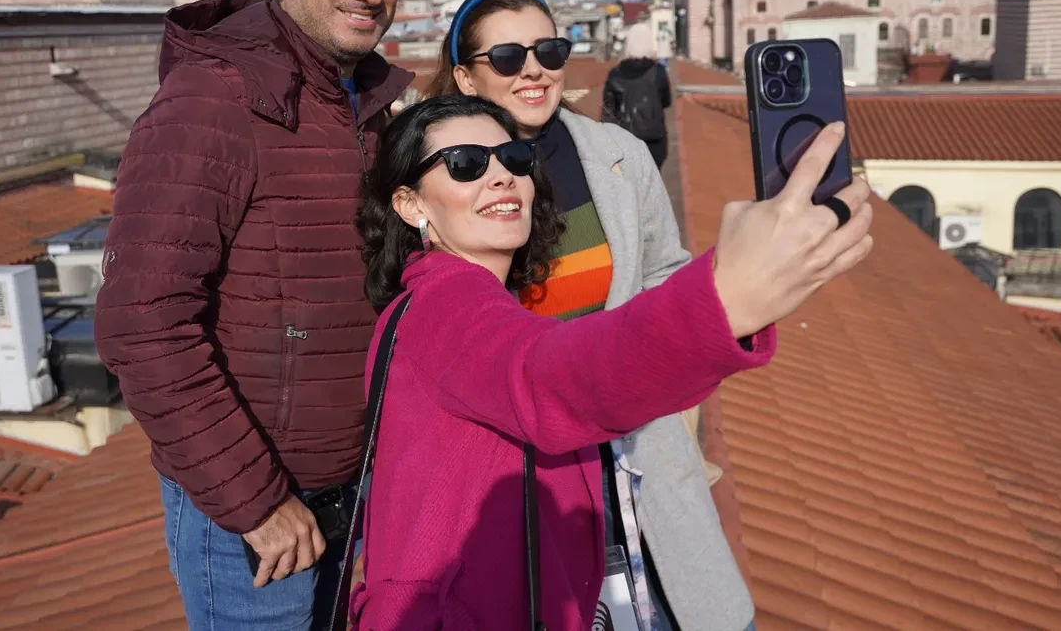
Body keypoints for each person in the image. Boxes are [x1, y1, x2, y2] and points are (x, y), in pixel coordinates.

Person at [351, 93, 873, 629]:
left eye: (514, 158)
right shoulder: (447, 304)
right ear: (410, 204)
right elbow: (547, 377)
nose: (502, 175)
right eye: (465, 164)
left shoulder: (432, 300)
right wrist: (724, 300)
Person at [94, 0, 425, 631]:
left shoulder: (367, 105)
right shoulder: (213, 99)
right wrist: (256, 501)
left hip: (349, 495)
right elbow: (141, 323)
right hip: (251, 519)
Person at [424, 0, 736, 627]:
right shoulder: (441, 180)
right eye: (507, 57)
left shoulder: (620, 156)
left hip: (638, 458)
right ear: (466, 76)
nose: (533, 70)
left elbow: (662, 277)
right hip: (526, 473)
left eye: (549, 50)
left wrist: (677, 417)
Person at [603, 16, 673, 167]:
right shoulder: (658, 72)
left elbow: (608, 111)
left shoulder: (615, 74)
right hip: (654, 140)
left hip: (624, 141)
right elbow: (667, 101)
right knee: (654, 178)